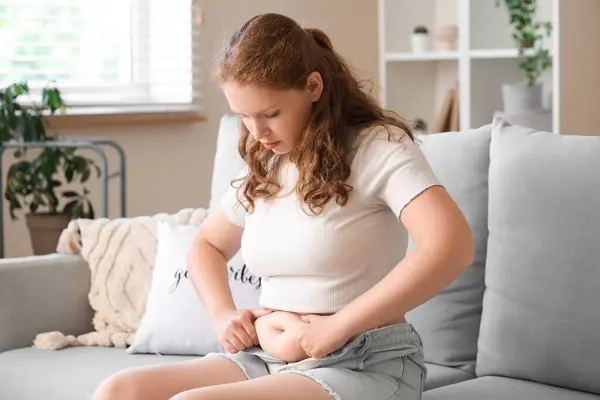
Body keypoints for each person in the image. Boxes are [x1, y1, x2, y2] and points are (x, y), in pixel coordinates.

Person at [92, 12, 474, 400]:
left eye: (270, 114)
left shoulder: (378, 147)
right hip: (267, 357)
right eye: (244, 116)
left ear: (312, 86)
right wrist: (223, 315)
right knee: (120, 390)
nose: (257, 133)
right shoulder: (266, 160)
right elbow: (206, 245)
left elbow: (451, 245)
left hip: (363, 362)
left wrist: (339, 325)